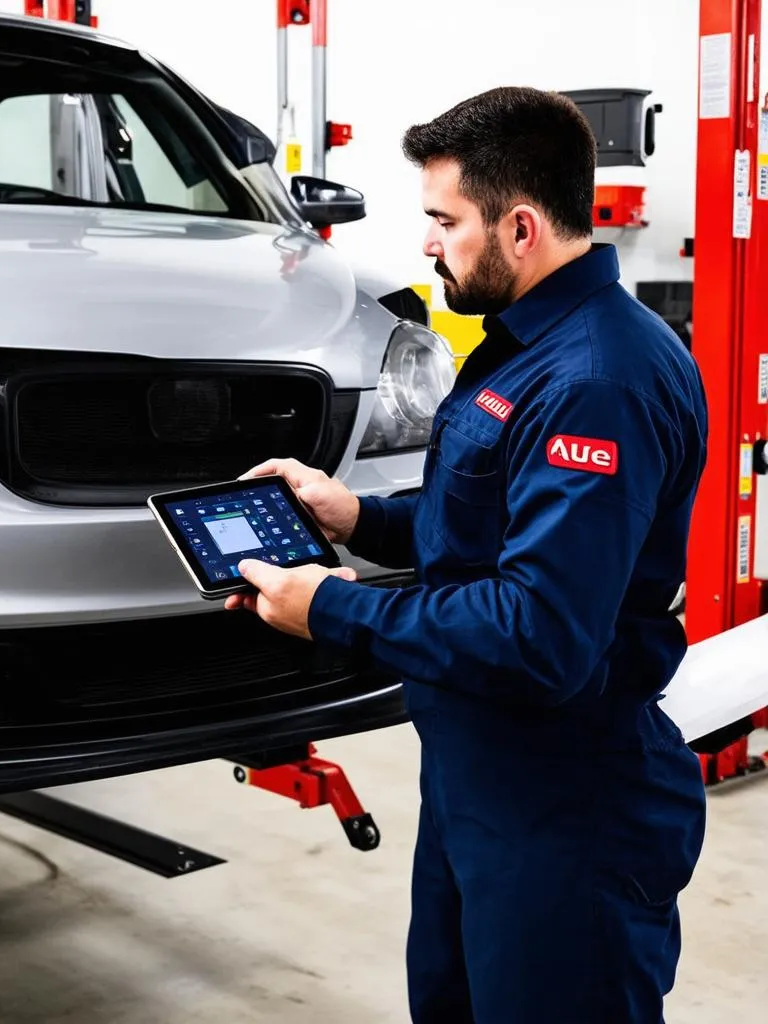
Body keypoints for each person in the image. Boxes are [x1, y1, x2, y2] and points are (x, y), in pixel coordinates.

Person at [226, 86, 709, 1023]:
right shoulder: (530, 346)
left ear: (519, 226)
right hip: (480, 782)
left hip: (568, 804)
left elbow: (539, 634)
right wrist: (356, 519)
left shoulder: (595, 382)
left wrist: (328, 606)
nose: (427, 242)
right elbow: (492, 536)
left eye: (444, 220)